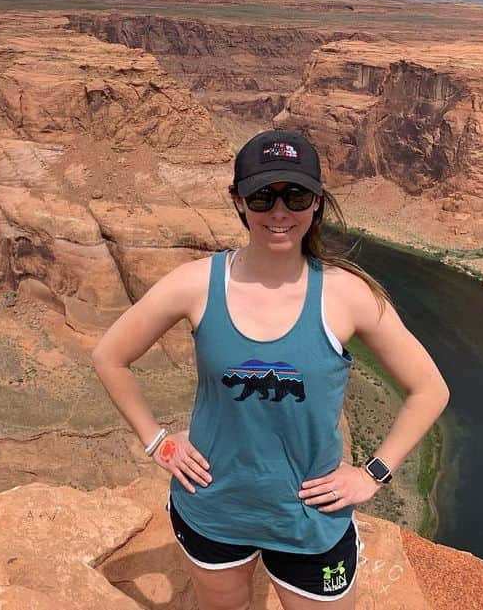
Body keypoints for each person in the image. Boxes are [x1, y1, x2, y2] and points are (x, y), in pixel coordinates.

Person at [92, 129, 450, 609]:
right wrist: (158, 442)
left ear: (317, 203)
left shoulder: (347, 295)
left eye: (296, 196)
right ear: (238, 201)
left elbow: (430, 389)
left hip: (308, 522)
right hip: (213, 508)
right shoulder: (196, 284)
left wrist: (374, 473)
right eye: (262, 196)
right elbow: (109, 357)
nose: (279, 212)